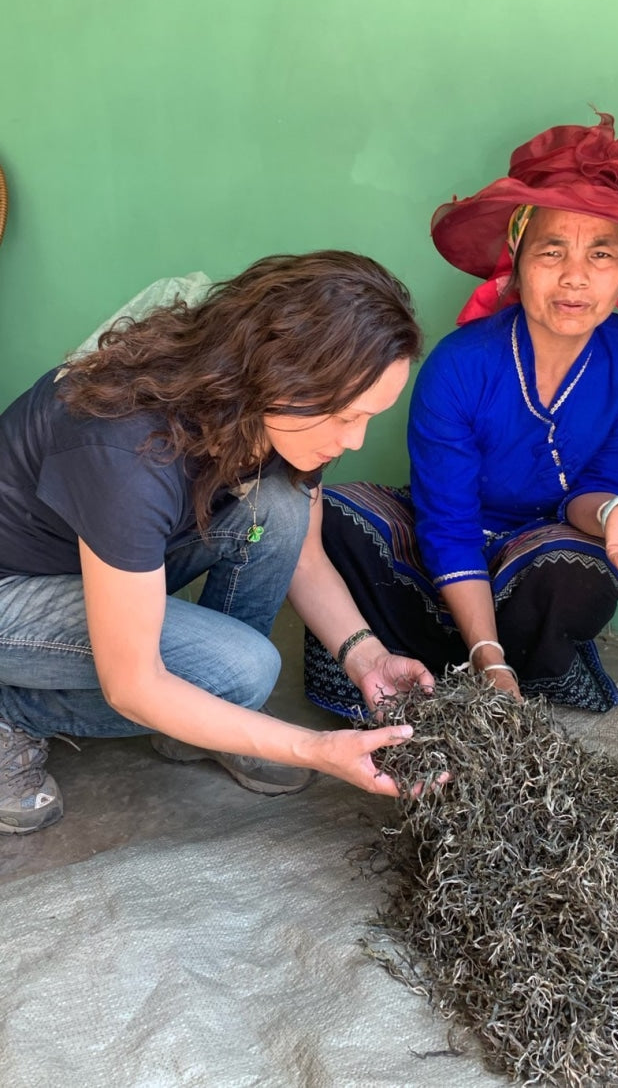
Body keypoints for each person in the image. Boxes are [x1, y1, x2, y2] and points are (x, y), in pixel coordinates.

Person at [304, 111, 618, 716]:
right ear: (518, 257)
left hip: (542, 541)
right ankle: (482, 657)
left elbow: (597, 493)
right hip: (447, 538)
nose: (575, 277)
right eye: (552, 250)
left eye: (601, 254)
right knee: (336, 519)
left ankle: (481, 651)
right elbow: (447, 521)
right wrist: (487, 654)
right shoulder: (459, 363)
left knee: (582, 567)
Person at [0, 250, 435, 835]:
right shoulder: (129, 451)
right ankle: (13, 711)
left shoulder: (265, 413)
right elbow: (132, 684)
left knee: (276, 503)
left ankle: (207, 721)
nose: (354, 441)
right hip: (12, 587)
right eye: (343, 416)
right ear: (284, 374)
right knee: (241, 671)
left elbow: (303, 554)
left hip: (82, 559)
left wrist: (369, 657)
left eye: (367, 418)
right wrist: (313, 748)